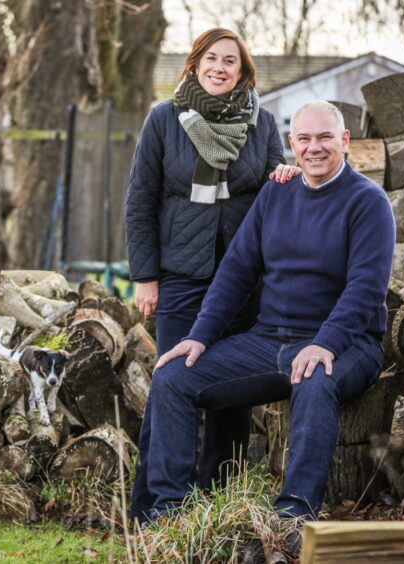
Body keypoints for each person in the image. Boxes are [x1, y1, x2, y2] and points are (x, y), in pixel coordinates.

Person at [135, 100, 396, 522]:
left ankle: (294, 515)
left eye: (326, 137)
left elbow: (365, 289)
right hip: (268, 340)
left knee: (315, 379)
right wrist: (200, 336)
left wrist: (325, 344)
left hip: (349, 345)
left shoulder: (368, 202)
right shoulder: (276, 192)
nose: (315, 148)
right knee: (172, 376)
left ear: (345, 141)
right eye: (305, 139)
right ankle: (171, 514)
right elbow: (237, 269)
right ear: (292, 144)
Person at [124, 28, 299, 521]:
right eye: (212, 58)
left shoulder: (262, 123)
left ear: (243, 73)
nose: (220, 68)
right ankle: (154, 511)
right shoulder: (164, 119)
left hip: (243, 279)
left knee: (230, 392)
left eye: (232, 62)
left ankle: (217, 509)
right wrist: (145, 276)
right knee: (171, 384)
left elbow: (275, 182)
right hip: (181, 274)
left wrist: (282, 175)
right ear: (195, 62)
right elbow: (140, 201)